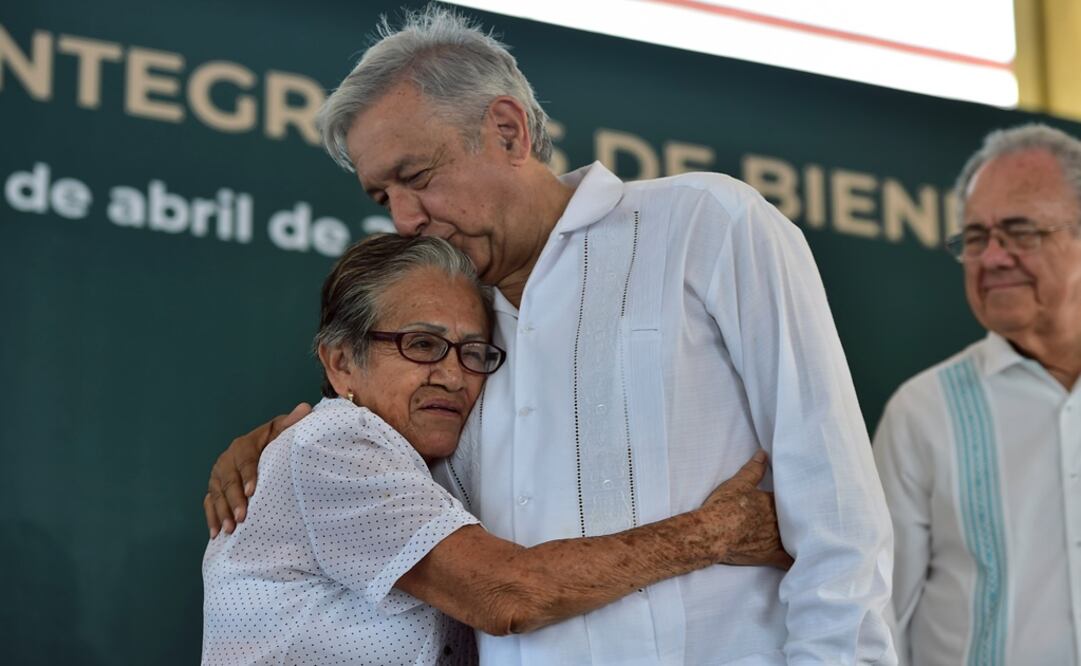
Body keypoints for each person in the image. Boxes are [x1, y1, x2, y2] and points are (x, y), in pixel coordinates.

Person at [206, 6, 896, 664]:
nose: (404, 217)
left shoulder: (704, 225)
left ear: (507, 131)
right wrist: (270, 448)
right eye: (383, 196)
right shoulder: (445, 326)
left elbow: (834, 505)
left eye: (416, 177)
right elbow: (364, 457)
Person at [203, 233, 787, 665]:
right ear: (340, 360)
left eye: (474, 353)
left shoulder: (424, 460)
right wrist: (719, 533)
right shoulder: (331, 446)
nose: (454, 377)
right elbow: (509, 594)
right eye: (423, 344)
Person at [873, 123, 1081, 665]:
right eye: (974, 238)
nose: (991, 258)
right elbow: (875, 618)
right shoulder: (923, 412)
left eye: (1019, 232)